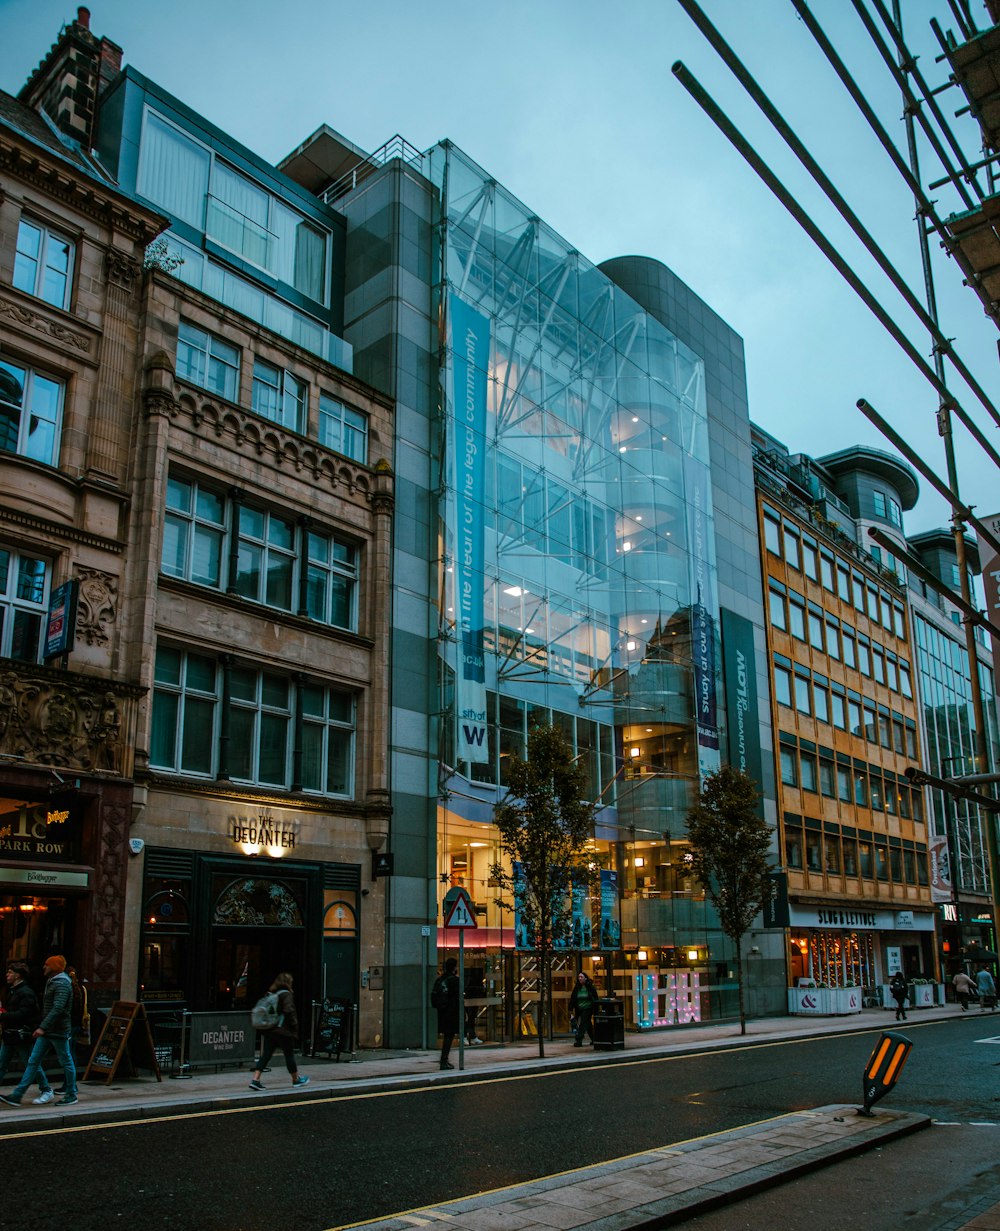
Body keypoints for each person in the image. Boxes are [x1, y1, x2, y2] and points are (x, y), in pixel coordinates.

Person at [0, 955, 76, 1107]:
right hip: (48, 1030)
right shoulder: (52, 981)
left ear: (54, 967)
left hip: (58, 1030)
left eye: (47, 965)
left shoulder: (61, 983)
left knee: (65, 1061)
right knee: (33, 1061)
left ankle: (71, 1093)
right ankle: (18, 1095)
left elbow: (58, 1008)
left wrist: (42, 1027)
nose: (43, 967)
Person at [0, 962, 53, 1102]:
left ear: (17, 975)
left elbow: (23, 1014)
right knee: (1, 1063)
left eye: (10, 972)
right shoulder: (13, 990)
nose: (7, 975)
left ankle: (46, 1089)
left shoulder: (26, 992)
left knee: (31, 1063)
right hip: (11, 1034)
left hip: (22, 1034)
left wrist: (2, 1016)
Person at [248, 972, 309, 1090]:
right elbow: (289, 1010)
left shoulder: (272, 993)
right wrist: (294, 1025)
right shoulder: (286, 995)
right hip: (283, 1030)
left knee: (266, 1054)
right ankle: (296, 1079)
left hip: (270, 1029)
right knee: (289, 1055)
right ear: (288, 983)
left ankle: (255, 1079)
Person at [436, 957, 460, 1070]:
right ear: (454, 967)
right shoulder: (454, 980)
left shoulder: (440, 979)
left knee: (447, 1036)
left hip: (442, 1012)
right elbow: (458, 997)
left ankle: (444, 1060)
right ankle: (444, 1060)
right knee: (449, 1036)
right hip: (451, 1012)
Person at [569, 971, 600, 1047]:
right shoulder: (577, 988)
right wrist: (570, 1008)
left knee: (583, 1023)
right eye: (579, 977)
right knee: (588, 1024)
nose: (580, 978)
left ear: (585, 978)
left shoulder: (590, 987)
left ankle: (579, 1040)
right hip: (579, 1008)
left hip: (588, 1008)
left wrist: (596, 1008)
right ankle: (594, 1039)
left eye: (581, 977)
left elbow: (595, 998)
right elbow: (573, 998)